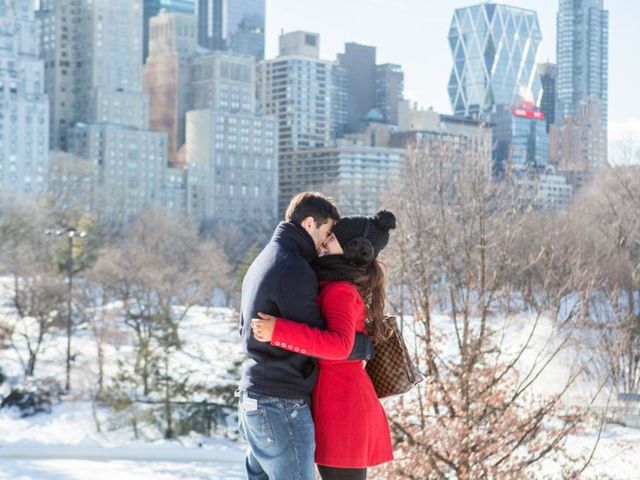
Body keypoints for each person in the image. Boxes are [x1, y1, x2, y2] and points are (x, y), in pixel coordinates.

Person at [237, 192, 375, 480]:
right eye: (326, 233)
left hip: (254, 397)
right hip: (280, 403)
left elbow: (244, 330)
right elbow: (326, 342)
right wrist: (363, 345)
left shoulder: (264, 260)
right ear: (309, 223)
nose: (324, 242)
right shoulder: (294, 268)